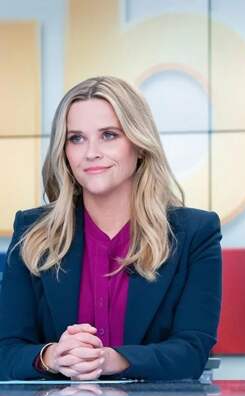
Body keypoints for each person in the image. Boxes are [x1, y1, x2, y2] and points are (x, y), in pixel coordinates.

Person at [0, 76, 222, 380]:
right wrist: (53, 357)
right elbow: (6, 350)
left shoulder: (195, 233)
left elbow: (192, 351)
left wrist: (110, 360)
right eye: (76, 138)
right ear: (64, 151)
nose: (91, 152)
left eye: (108, 135)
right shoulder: (33, 231)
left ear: (139, 145)